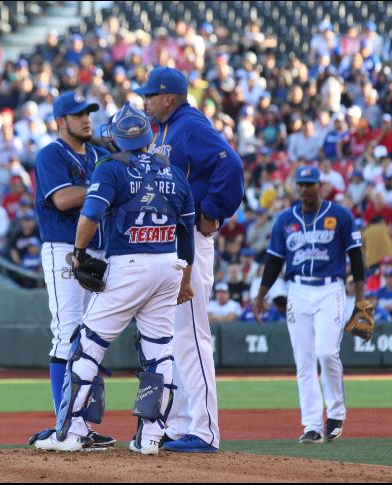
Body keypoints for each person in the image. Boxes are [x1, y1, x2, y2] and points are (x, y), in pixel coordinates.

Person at [31, 103, 195, 455]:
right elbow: (188, 232)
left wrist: (77, 252)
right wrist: (186, 279)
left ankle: (72, 431)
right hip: (169, 266)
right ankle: (150, 436)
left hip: (128, 265)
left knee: (86, 346)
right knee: (159, 353)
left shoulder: (109, 166)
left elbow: (90, 214)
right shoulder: (173, 171)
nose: (87, 120)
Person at [135, 66, 244, 453]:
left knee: (191, 336)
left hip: (192, 240)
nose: (144, 101)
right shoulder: (164, 128)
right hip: (170, 240)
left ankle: (205, 430)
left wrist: (213, 210)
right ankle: (180, 424)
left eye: (149, 95)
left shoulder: (189, 124)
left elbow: (230, 164)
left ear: (169, 97)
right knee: (173, 337)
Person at [253, 165, 366, 444]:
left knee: (327, 352)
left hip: (330, 288)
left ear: (320, 186)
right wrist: (261, 295)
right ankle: (312, 426)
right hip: (298, 289)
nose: (304, 189)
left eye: (309, 184)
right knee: (304, 362)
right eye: (300, 184)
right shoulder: (284, 220)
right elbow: (275, 260)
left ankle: (337, 412)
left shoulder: (340, 215)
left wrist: (361, 299)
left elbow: (356, 256)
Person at [33, 91, 114, 449]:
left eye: (89, 112)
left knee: (92, 337)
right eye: (78, 114)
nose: (86, 118)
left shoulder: (99, 154)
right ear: (60, 122)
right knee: (67, 332)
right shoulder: (51, 154)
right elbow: (62, 199)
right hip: (64, 248)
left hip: (100, 249)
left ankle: (82, 425)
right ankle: (65, 421)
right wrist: (105, 186)